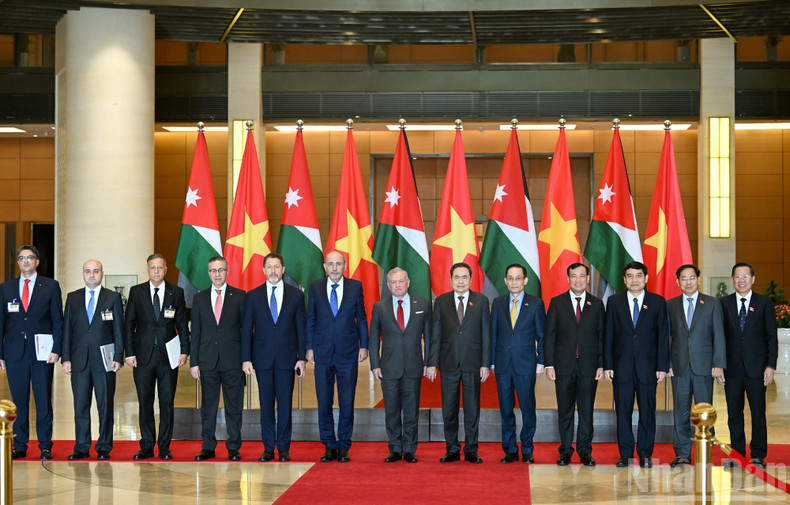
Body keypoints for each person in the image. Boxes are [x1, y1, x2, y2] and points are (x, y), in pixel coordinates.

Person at [603, 261, 670, 468]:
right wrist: (608, 365)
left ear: (646, 278)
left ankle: (645, 453)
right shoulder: (614, 302)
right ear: (624, 280)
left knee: (647, 412)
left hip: (648, 369)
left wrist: (662, 366)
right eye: (630, 276)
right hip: (621, 368)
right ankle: (625, 454)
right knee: (622, 412)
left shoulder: (658, 302)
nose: (634, 280)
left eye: (638, 276)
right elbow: (608, 336)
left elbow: (663, 336)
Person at [124, 253, 189, 460]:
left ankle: (164, 447)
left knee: (167, 402)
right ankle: (146, 445)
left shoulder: (176, 292)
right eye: (153, 268)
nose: (156, 271)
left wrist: (184, 351)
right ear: (148, 269)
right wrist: (129, 352)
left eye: (160, 268)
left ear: (165, 269)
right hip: (142, 357)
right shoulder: (137, 292)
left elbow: (182, 325)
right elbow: (129, 324)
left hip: (168, 356)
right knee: (145, 402)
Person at [242, 252, 306, 463]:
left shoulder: (295, 296)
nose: (273, 271)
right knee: (266, 405)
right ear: (263, 270)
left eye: (277, 267)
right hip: (262, 360)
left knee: (285, 405)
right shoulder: (253, 296)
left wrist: (302, 357)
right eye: (269, 267)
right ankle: (268, 448)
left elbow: (301, 329)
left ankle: (284, 448)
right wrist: (246, 358)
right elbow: (246, 330)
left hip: (288, 360)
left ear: (283, 269)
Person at [0, 245, 62, 460]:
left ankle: (45, 444)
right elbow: (1, 323)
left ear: (37, 261)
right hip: (14, 353)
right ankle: (20, 444)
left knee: (43, 398)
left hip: (42, 352)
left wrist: (57, 349)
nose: (26, 261)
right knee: (19, 401)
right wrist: (0, 353)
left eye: (30, 257)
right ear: (18, 262)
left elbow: (57, 320)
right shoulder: (6, 288)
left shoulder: (51, 286)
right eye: (22, 258)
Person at [306, 250, 368, 463]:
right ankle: (328, 445)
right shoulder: (315, 287)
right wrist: (309, 347)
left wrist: (364, 345)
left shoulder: (355, 286)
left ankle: (343, 445)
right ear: (325, 266)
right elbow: (311, 319)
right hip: (322, 353)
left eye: (338, 264)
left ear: (344, 266)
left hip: (348, 353)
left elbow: (361, 317)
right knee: (324, 401)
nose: (334, 268)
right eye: (330, 264)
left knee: (346, 401)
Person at [427, 262, 490, 464]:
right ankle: (452, 448)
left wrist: (485, 364)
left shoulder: (481, 301)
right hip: (448, 363)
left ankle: (471, 449)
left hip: (473, 363)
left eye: (464, 277)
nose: (460, 281)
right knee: (449, 408)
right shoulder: (441, 302)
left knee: (472, 409)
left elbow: (486, 335)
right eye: (457, 277)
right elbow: (435, 335)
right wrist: (431, 363)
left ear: (471, 280)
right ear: (451, 279)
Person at [61, 259, 124, 460]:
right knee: (80, 405)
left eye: (95, 271)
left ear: (102, 273)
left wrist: (118, 357)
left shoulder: (113, 297)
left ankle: (104, 446)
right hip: (79, 361)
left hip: (104, 361)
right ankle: (81, 446)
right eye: (87, 271)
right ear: (83, 274)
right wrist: (66, 357)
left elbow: (118, 331)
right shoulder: (73, 298)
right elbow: (67, 331)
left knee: (105, 405)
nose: (91, 275)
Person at [544, 262, 604, 467]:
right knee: (565, 409)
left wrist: (601, 364)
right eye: (574, 276)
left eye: (581, 276)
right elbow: (549, 336)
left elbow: (601, 336)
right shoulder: (557, 303)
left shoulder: (596, 304)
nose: (578, 280)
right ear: (568, 279)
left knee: (586, 410)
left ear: (587, 279)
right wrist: (549, 364)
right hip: (563, 365)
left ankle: (585, 451)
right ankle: (566, 451)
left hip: (589, 366)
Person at [369, 267, 432, 463]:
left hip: (414, 366)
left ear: (408, 282)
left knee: (412, 410)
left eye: (401, 281)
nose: (398, 285)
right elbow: (373, 339)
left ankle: (410, 449)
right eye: (394, 282)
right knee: (392, 410)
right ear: (388, 286)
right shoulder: (380, 307)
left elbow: (430, 337)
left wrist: (429, 362)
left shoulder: (422, 304)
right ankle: (395, 448)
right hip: (388, 367)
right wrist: (375, 364)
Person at [666, 264, 726, 468]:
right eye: (684, 278)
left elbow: (719, 335)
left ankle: (704, 452)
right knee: (681, 412)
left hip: (704, 367)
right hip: (680, 367)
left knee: (704, 412)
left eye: (692, 278)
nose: (688, 282)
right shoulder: (671, 305)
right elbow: (667, 338)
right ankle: (682, 453)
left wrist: (718, 364)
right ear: (678, 282)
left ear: (698, 280)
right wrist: (668, 364)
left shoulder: (711, 303)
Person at [720, 262, 777, 470]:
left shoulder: (764, 303)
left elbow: (772, 336)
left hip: (757, 369)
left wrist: (771, 365)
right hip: (731, 370)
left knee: (757, 413)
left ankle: (758, 455)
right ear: (732, 279)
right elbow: (719, 338)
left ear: (752, 279)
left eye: (745, 276)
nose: (741, 280)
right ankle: (737, 454)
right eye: (737, 276)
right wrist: (719, 365)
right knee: (734, 414)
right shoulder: (723, 303)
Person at [191, 256, 246, 461]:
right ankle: (208, 446)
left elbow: (246, 330)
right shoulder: (200, 298)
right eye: (213, 270)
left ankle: (233, 447)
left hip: (233, 361)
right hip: (207, 361)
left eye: (221, 270)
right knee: (208, 407)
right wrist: (194, 362)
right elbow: (195, 331)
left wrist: (246, 359)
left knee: (234, 406)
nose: (217, 274)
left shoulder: (240, 296)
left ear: (227, 271)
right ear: (208, 273)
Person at [490, 263, 545, 464]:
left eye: (518, 278)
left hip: (526, 365)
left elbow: (542, 335)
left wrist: (541, 361)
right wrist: (492, 362)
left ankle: (527, 449)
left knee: (528, 407)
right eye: (510, 278)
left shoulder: (536, 304)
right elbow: (493, 334)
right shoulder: (497, 303)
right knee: (506, 409)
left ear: (525, 280)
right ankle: (510, 449)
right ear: (505, 281)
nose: (514, 282)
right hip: (503, 365)